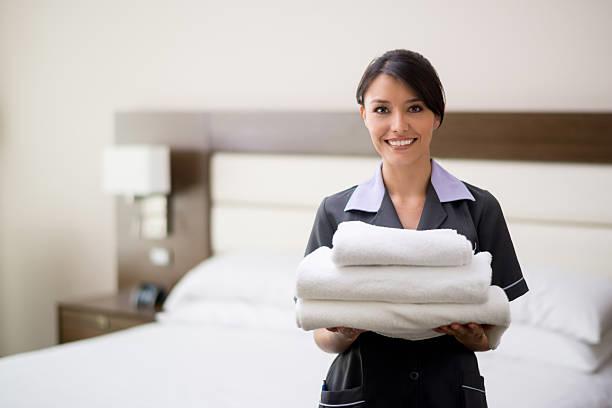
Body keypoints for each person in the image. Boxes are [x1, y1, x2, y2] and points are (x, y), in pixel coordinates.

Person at [304, 50, 529, 407]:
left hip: (449, 390)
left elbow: (493, 325)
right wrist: (343, 332)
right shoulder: (336, 212)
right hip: (361, 390)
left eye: (415, 108)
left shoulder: (479, 208)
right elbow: (321, 333)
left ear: (436, 116)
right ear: (364, 114)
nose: (398, 126)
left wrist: (476, 338)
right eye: (381, 109)